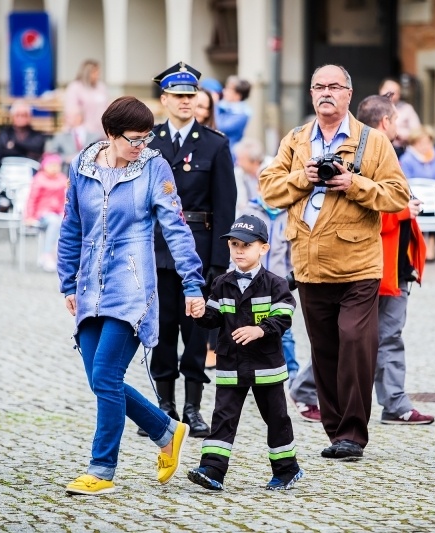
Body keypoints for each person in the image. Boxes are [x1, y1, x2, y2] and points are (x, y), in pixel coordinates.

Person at [259, 65, 410, 460]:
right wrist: (302, 178)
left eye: (334, 87)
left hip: (359, 263)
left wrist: (353, 184)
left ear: (348, 93)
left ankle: (353, 434)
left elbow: (397, 195)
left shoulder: (373, 142)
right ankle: (336, 432)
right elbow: (269, 189)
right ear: (311, 94)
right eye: (319, 87)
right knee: (325, 350)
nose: (326, 92)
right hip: (309, 265)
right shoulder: (295, 141)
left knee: (356, 341)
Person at [57, 96, 203, 495]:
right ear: (110, 134)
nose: (142, 145)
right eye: (134, 139)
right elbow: (71, 226)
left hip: (132, 288)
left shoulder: (154, 167)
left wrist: (193, 283)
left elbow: (176, 227)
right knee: (99, 379)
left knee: (105, 375)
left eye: (147, 137)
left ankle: (101, 469)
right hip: (89, 287)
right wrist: (67, 281)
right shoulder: (82, 165)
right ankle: (166, 430)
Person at [287, 96, 433, 426]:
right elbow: (364, 218)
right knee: (363, 338)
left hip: (395, 264)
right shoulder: (363, 153)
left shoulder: (386, 154)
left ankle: (313, 391)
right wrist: (400, 210)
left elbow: (390, 196)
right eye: (395, 119)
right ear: (383, 123)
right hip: (373, 266)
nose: (399, 125)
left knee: (360, 338)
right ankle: (383, 403)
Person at [143, 62, 236, 439]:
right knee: (162, 330)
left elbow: (225, 206)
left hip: (198, 249)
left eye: (190, 95)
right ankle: (163, 407)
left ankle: (194, 408)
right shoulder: (148, 144)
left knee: (197, 332)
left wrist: (218, 262)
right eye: (178, 96)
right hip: (156, 250)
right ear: (164, 99)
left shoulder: (215, 144)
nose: (185, 102)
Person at [187, 214, 303, 491]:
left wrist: (260, 329)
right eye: (234, 244)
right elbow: (213, 318)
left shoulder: (276, 284)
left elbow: (284, 315)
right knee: (223, 418)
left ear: (263, 248)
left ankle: (287, 470)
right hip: (231, 365)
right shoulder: (221, 283)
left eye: (246, 245)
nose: (239, 250)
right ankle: (212, 469)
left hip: (267, 366)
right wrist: (201, 313)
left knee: (276, 418)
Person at [240, 178, 298, 383]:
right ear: (258, 188)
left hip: (280, 283)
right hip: (252, 284)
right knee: (252, 326)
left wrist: (292, 278)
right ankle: (252, 370)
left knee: (285, 331)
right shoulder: (248, 213)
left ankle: (292, 375)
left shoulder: (289, 214)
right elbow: (236, 248)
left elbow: (292, 253)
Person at [399, 126, 435, 261]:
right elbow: (406, 182)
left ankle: (431, 243)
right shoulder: (406, 160)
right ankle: (422, 245)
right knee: (420, 202)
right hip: (417, 200)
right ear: (413, 144)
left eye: (427, 142)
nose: (424, 146)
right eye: (419, 143)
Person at [25, 153, 67, 272]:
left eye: (56, 165)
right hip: (43, 214)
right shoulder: (39, 179)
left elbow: (65, 198)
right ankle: (47, 254)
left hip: (59, 212)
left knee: (64, 224)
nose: (54, 168)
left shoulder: (62, 179)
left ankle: (60, 255)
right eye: (51, 165)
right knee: (54, 222)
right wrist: (29, 216)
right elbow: (32, 199)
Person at [0, 101, 46, 173]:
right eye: (18, 115)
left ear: (29, 117)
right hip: (7, 169)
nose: (21, 118)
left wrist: (14, 145)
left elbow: (36, 151)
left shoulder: (37, 135)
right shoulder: (4, 133)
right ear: (12, 117)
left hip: (29, 170)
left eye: (24, 115)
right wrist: (25, 151)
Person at [64, 59, 109, 138]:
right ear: (87, 73)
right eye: (94, 72)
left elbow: (106, 106)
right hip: (84, 133)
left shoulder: (101, 87)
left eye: (98, 72)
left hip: (101, 131)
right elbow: (72, 111)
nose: (97, 75)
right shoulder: (75, 87)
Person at [378, 77, 421, 152]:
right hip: (378, 147)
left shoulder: (407, 109)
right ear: (380, 90)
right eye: (388, 90)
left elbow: (417, 132)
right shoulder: (372, 107)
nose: (390, 94)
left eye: (395, 92)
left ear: (399, 95)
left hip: (400, 149)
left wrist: (400, 134)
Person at [216, 75, 252, 151]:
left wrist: (213, 105)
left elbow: (220, 127)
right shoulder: (224, 107)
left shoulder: (242, 114)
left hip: (229, 152)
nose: (224, 91)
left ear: (237, 95)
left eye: (228, 89)